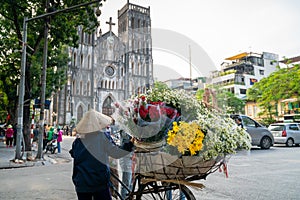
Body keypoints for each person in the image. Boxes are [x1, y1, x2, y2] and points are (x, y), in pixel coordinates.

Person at [69, 109, 134, 200]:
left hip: (81, 182)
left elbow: (73, 153)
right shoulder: (102, 137)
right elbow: (116, 153)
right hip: (98, 182)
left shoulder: (78, 141)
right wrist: (130, 145)